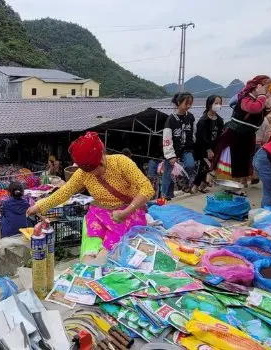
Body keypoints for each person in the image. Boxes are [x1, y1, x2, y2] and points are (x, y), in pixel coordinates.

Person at [26, 132, 154, 262]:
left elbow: (147, 188)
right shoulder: (83, 174)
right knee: (89, 257)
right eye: (89, 170)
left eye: (97, 166)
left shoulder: (121, 162)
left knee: (107, 257)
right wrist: (39, 206)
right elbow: (64, 192)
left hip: (127, 215)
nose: (93, 172)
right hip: (99, 215)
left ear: (103, 155)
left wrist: (126, 212)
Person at [212, 75, 271, 187]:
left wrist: (267, 106)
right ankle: (227, 185)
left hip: (247, 136)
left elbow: (260, 115)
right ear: (258, 87)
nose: (268, 90)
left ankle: (241, 184)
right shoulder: (245, 99)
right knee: (234, 160)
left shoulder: (259, 99)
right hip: (235, 136)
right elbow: (254, 109)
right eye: (266, 87)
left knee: (244, 161)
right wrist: (262, 96)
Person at [161, 92, 197, 199]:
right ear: (179, 103)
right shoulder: (171, 119)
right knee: (168, 174)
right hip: (173, 150)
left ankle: (184, 183)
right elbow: (167, 138)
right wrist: (171, 155)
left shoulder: (190, 117)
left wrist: (193, 143)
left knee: (190, 165)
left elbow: (194, 132)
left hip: (187, 149)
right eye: (186, 103)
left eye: (190, 103)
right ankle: (166, 196)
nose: (189, 106)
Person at [193, 95, 224, 193]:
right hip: (203, 149)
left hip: (215, 148)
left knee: (208, 167)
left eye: (220, 103)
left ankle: (201, 187)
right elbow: (201, 137)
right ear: (209, 104)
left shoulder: (219, 120)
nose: (218, 105)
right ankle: (195, 187)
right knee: (206, 167)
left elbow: (220, 135)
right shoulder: (203, 120)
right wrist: (208, 149)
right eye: (216, 103)